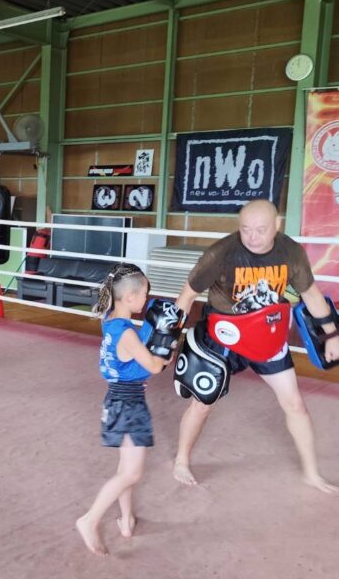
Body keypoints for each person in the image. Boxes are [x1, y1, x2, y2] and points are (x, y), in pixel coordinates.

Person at [172, 199, 339, 494]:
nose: (252, 237)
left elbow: (311, 294)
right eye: (245, 229)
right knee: (202, 403)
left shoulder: (290, 252)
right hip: (224, 337)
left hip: (268, 335)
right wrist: (168, 338)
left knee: (295, 404)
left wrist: (332, 334)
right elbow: (187, 295)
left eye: (261, 230)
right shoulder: (221, 253)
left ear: (277, 225)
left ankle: (312, 473)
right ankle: (181, 461)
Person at [76, 263, 176, 556]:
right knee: (132, 473)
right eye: (144, 294)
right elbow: (154, 367)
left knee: (126, 467)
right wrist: (168, 349)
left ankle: (127, 519)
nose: (146, 299)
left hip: (118, 399)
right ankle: (89, 519)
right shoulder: (127, 334)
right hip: (129, 403)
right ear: (130, 297)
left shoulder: (111, 319)